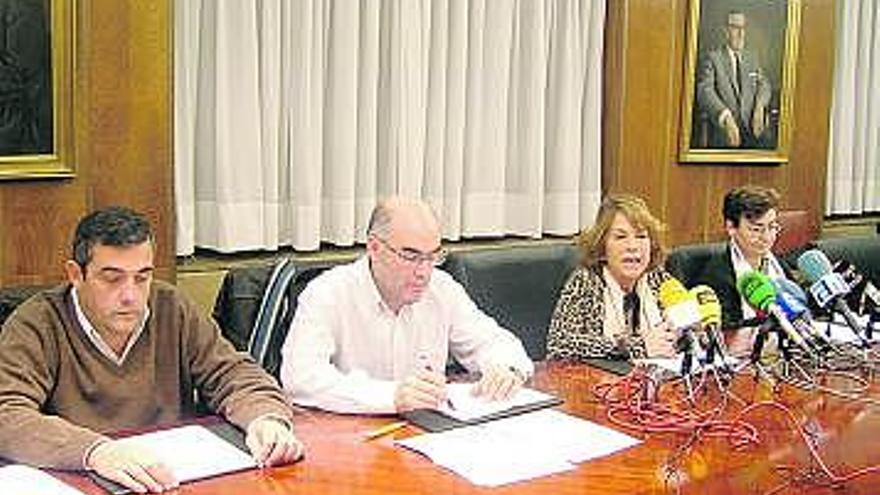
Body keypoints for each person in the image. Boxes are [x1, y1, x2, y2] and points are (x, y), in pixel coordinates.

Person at [0, 207, 304, 494]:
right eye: (112, 278)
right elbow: (8, 415)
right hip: (84, 481)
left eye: (142, 277)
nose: (130, 295)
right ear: (76, 275)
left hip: (175, 479)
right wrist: (94, 451)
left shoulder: (170, 306)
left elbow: (233, 374)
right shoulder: (36, 323)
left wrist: (265, 419)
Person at [280, 197, 534, 414]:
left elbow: (494, 342)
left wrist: (506, 369)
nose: (424, 271)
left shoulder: (442, 288)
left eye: (433, 256)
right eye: (411, 257)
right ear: (374, 247)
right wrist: (390, 397)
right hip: (353, 441)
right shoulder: (328, 293)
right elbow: (300, 378)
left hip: (427, 435)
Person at [546, 194, 676, 362]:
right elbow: (559, 345)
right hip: (598, 383)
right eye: (621, 237)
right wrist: (636, 347)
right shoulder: (587, 281)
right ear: (602, 245)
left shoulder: (658, 279)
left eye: (641, 236)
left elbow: (693, 332)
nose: (633, 246)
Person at [691, 185, 791, 334]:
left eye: (772, 227)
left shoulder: (777, 264)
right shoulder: (716, 275)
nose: (767, 237)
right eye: (756, 229)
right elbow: (725, 333)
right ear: (731, 227)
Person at [696, 10, 772, 149]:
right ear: (725, 31)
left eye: (743, 28)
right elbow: (704, 91)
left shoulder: (752, 58)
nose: (741, 34)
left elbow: (764, 84)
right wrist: (725, 117)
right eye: (736, 28)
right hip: (725, 135)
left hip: (755, 133)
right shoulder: (713, 58)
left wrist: (760, 106)